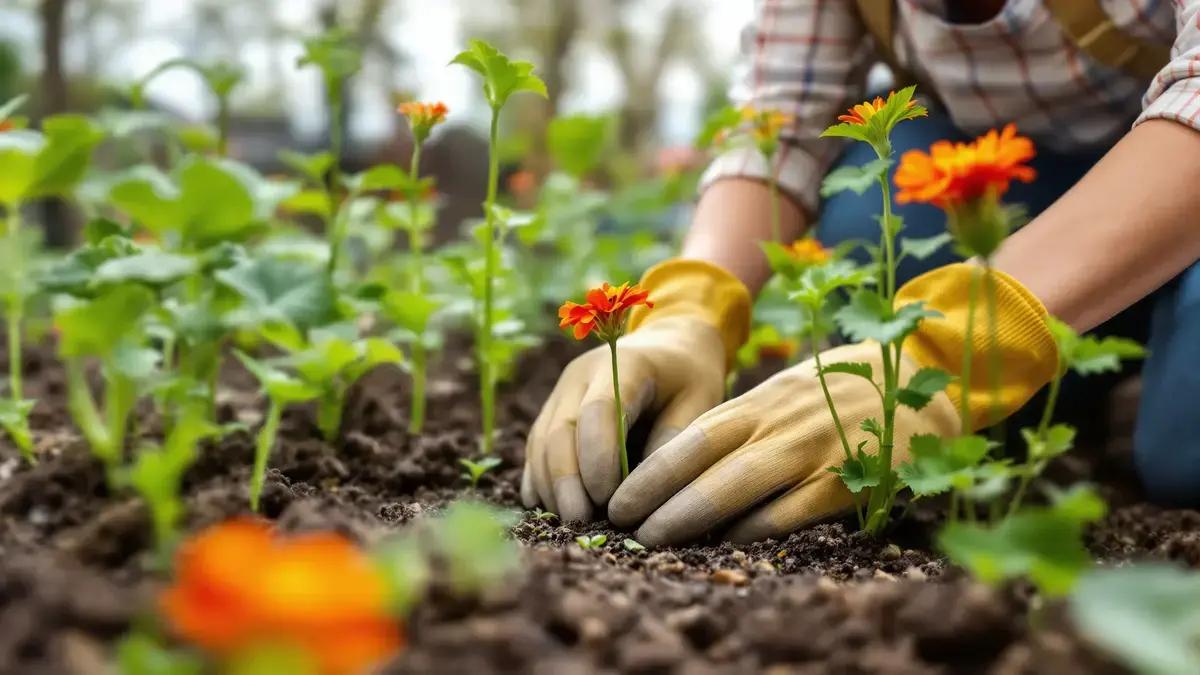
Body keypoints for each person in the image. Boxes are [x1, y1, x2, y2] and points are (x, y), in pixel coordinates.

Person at [521, 0, 1200, 547]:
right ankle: (1070, 372)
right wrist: (685, 311)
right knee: (866, 217)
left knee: (1186, 452)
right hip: (1029, 200)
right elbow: (780, 125)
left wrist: (947, 348)